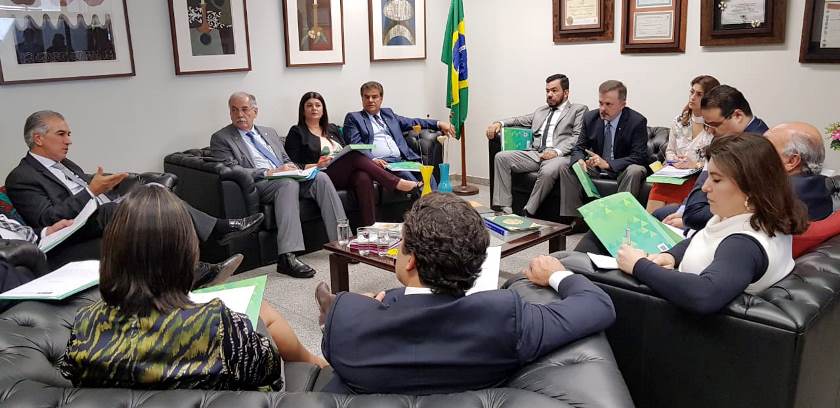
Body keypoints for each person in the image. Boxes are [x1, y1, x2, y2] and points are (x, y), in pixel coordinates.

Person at [318, 193, 615, 395]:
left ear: (410, 261)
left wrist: (367, 307)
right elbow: (598, 305)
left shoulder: (346, 321)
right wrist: (556, 274)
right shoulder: (505, 317)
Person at [58, 185, 326, 390]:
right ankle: (318, 362)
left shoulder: (85, 324)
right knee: (260, 315)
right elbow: (269, 374)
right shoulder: (220, 325)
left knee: (261, 312)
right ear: (185, 252)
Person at [5, 110, 263, 261]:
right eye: (61, 134)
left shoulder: (66, 164)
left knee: (154, 192)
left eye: (69, 134)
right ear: (38, 138)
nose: (69, 140)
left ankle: (196, 263)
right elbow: (46, 218)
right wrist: (91, 192)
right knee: (120, 209)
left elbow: (90, 191)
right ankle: (217, 230)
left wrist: (108, 186)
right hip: (71, 234)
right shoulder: (21, 177)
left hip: (101, 215)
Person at [615, 133, 808, 314]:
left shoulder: (743, 245)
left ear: (751, 186)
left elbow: (705, 294)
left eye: (716, 180)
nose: (706, 188)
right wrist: (672, 256)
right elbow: (706, 236)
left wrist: (639, 266)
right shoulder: (753, 215)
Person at [211, 92, 346, 278]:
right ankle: (287, 257)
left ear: (255, 111)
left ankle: (341, 243)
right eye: (234, 110)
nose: (239, 114)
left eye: (244, 109)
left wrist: (292, 168)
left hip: (286, 176)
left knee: (321, 178)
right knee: (287, 184)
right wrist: (268, 172)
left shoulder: (269, 132)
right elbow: (230, 170)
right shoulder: (221, 138)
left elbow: (284, 158)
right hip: (261, 183)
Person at [285, 92, 420, 227]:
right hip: (320, 175)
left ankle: (370, 229)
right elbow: (293, 165)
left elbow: (345, 149)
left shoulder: (331, 128)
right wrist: (317, 164)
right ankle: (396, 183)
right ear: (303, 110)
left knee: (362, 176)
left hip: (342, 173)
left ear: (323, 109)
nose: (314, 108)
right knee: (354, 155)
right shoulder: (297, 132)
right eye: (309, 105)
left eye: (318, 105)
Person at [656, 85, 770, 230]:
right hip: (708, 206)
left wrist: (687, 218)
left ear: (738, 116)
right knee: (660, 214)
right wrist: (683, 210)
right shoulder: (728, 136)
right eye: (706, 124)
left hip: (729, 217)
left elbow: (744, 205)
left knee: (667, 220)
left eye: (714, 124)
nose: (709, 131)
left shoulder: (755, 146)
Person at [486, 74, 588, 216]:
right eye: (547, 91)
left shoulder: (578, 110)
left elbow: (577, 137)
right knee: (501, 157)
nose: (549, 94)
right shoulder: (541, 111)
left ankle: (528, 211)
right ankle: (505, 207)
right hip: (537, 153)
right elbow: (518, 120)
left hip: (560, 156)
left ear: (566, 93)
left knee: (547, 170)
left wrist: (556, 152)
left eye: (554, 90)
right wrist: (499, 123)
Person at [555, 80, 649, 226]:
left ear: (622, 104)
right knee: (567, 166)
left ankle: (620, 221)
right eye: (600, 103)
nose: (602, 109)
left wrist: (609, 164)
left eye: (608, 104)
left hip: (624, 168)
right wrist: (579, 160)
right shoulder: (590, 118)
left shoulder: (636, 121)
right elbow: (578, 148)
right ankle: (575, 220)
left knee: (635, 170)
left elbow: (639, 157)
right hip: (597, 166)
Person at [342, 81, 456, 185]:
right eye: (366, 97)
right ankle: (424, 206)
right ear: (362, 99)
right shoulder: (354, 118)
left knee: (428, 176)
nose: (370, 100)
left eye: (374, 97)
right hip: (381, 163)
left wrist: (439, 123)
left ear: (381, 99)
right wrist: (373, 160)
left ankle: (434, 205)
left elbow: (412, 122)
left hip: (402, 160)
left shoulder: (388, 114)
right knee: (408, 178)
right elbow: (356, 145)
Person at [645, 75, 719, 213]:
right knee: (660, 184)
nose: (692, 97)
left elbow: (716, 162)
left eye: (699, 94)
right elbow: (670, 151)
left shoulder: (716, 126)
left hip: (698, 178)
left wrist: (695, 165)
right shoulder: (679, 121)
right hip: (675, 174)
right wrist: (674, 160)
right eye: (692, 92)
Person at [765, 122, 833, 221]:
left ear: (791, 161)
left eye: (765, 150)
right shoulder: (824, 189)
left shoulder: (772, 201)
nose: (756, 155)